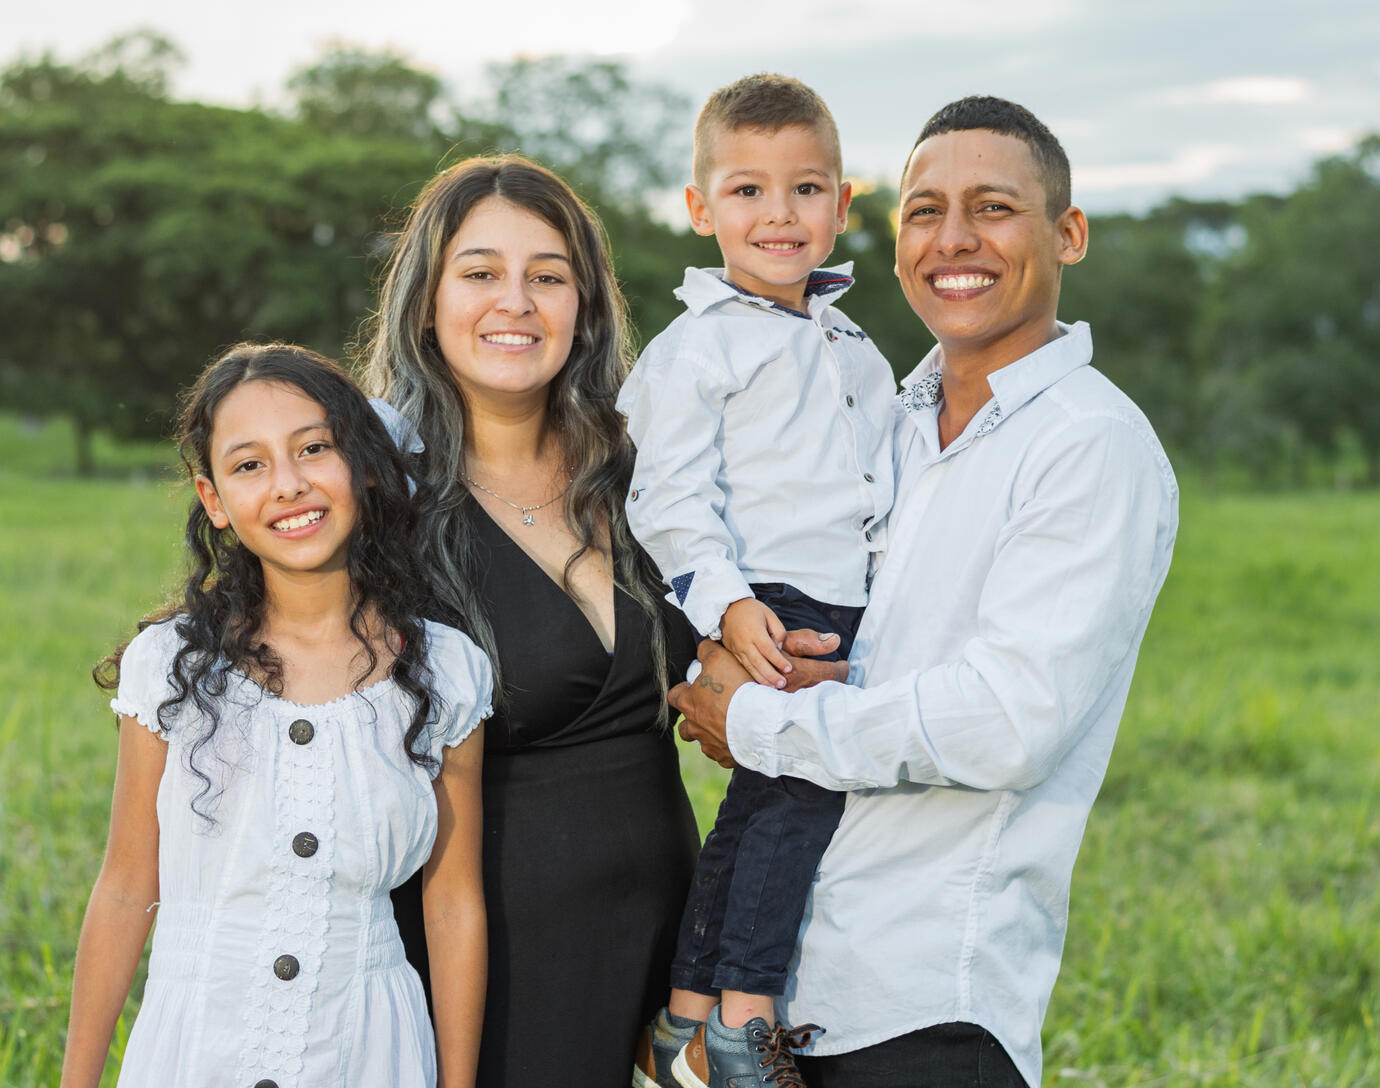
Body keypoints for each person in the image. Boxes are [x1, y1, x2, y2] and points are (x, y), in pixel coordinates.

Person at [670, 96, 1180, 1088]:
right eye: (923, 210)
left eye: (993, 207)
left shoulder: (1089, 443)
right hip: (778, 997)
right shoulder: (877, 419)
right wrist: (725, 648)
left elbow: (1005, 721)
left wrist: (766, 719)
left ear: (1067, 232)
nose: (954, 240)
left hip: (925, 1012)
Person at [60, 343, 491, 1088]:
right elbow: (128, 886)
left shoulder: (445, 672)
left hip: (368, 1052)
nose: (288, 485)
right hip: (197, 1050)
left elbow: (453, 906)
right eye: (250, 464)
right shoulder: (171, 665)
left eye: (314, 449)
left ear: (362, 465)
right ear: (214, 499)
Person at [361, 155, 703, 1087]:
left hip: (674, 948)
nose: (515, 301)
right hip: (493, 963)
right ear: (428, 302)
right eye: (479, 274)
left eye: (547, 276)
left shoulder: (660, 474)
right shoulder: (376, 506)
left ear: (585, 307)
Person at [616, 74, 895, 1088]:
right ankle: (743, 1022)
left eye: (805, 189)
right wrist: (726, 605)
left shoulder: (855, 344)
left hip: (847, 597)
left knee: (758, 809)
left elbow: (885, 479)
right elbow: (667, 498)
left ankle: (684, 1017)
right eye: (746, 191)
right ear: (701, 209)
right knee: (801, 801)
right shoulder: (699, 347)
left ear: (842, 204)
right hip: (770, 596)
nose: (778, 214)